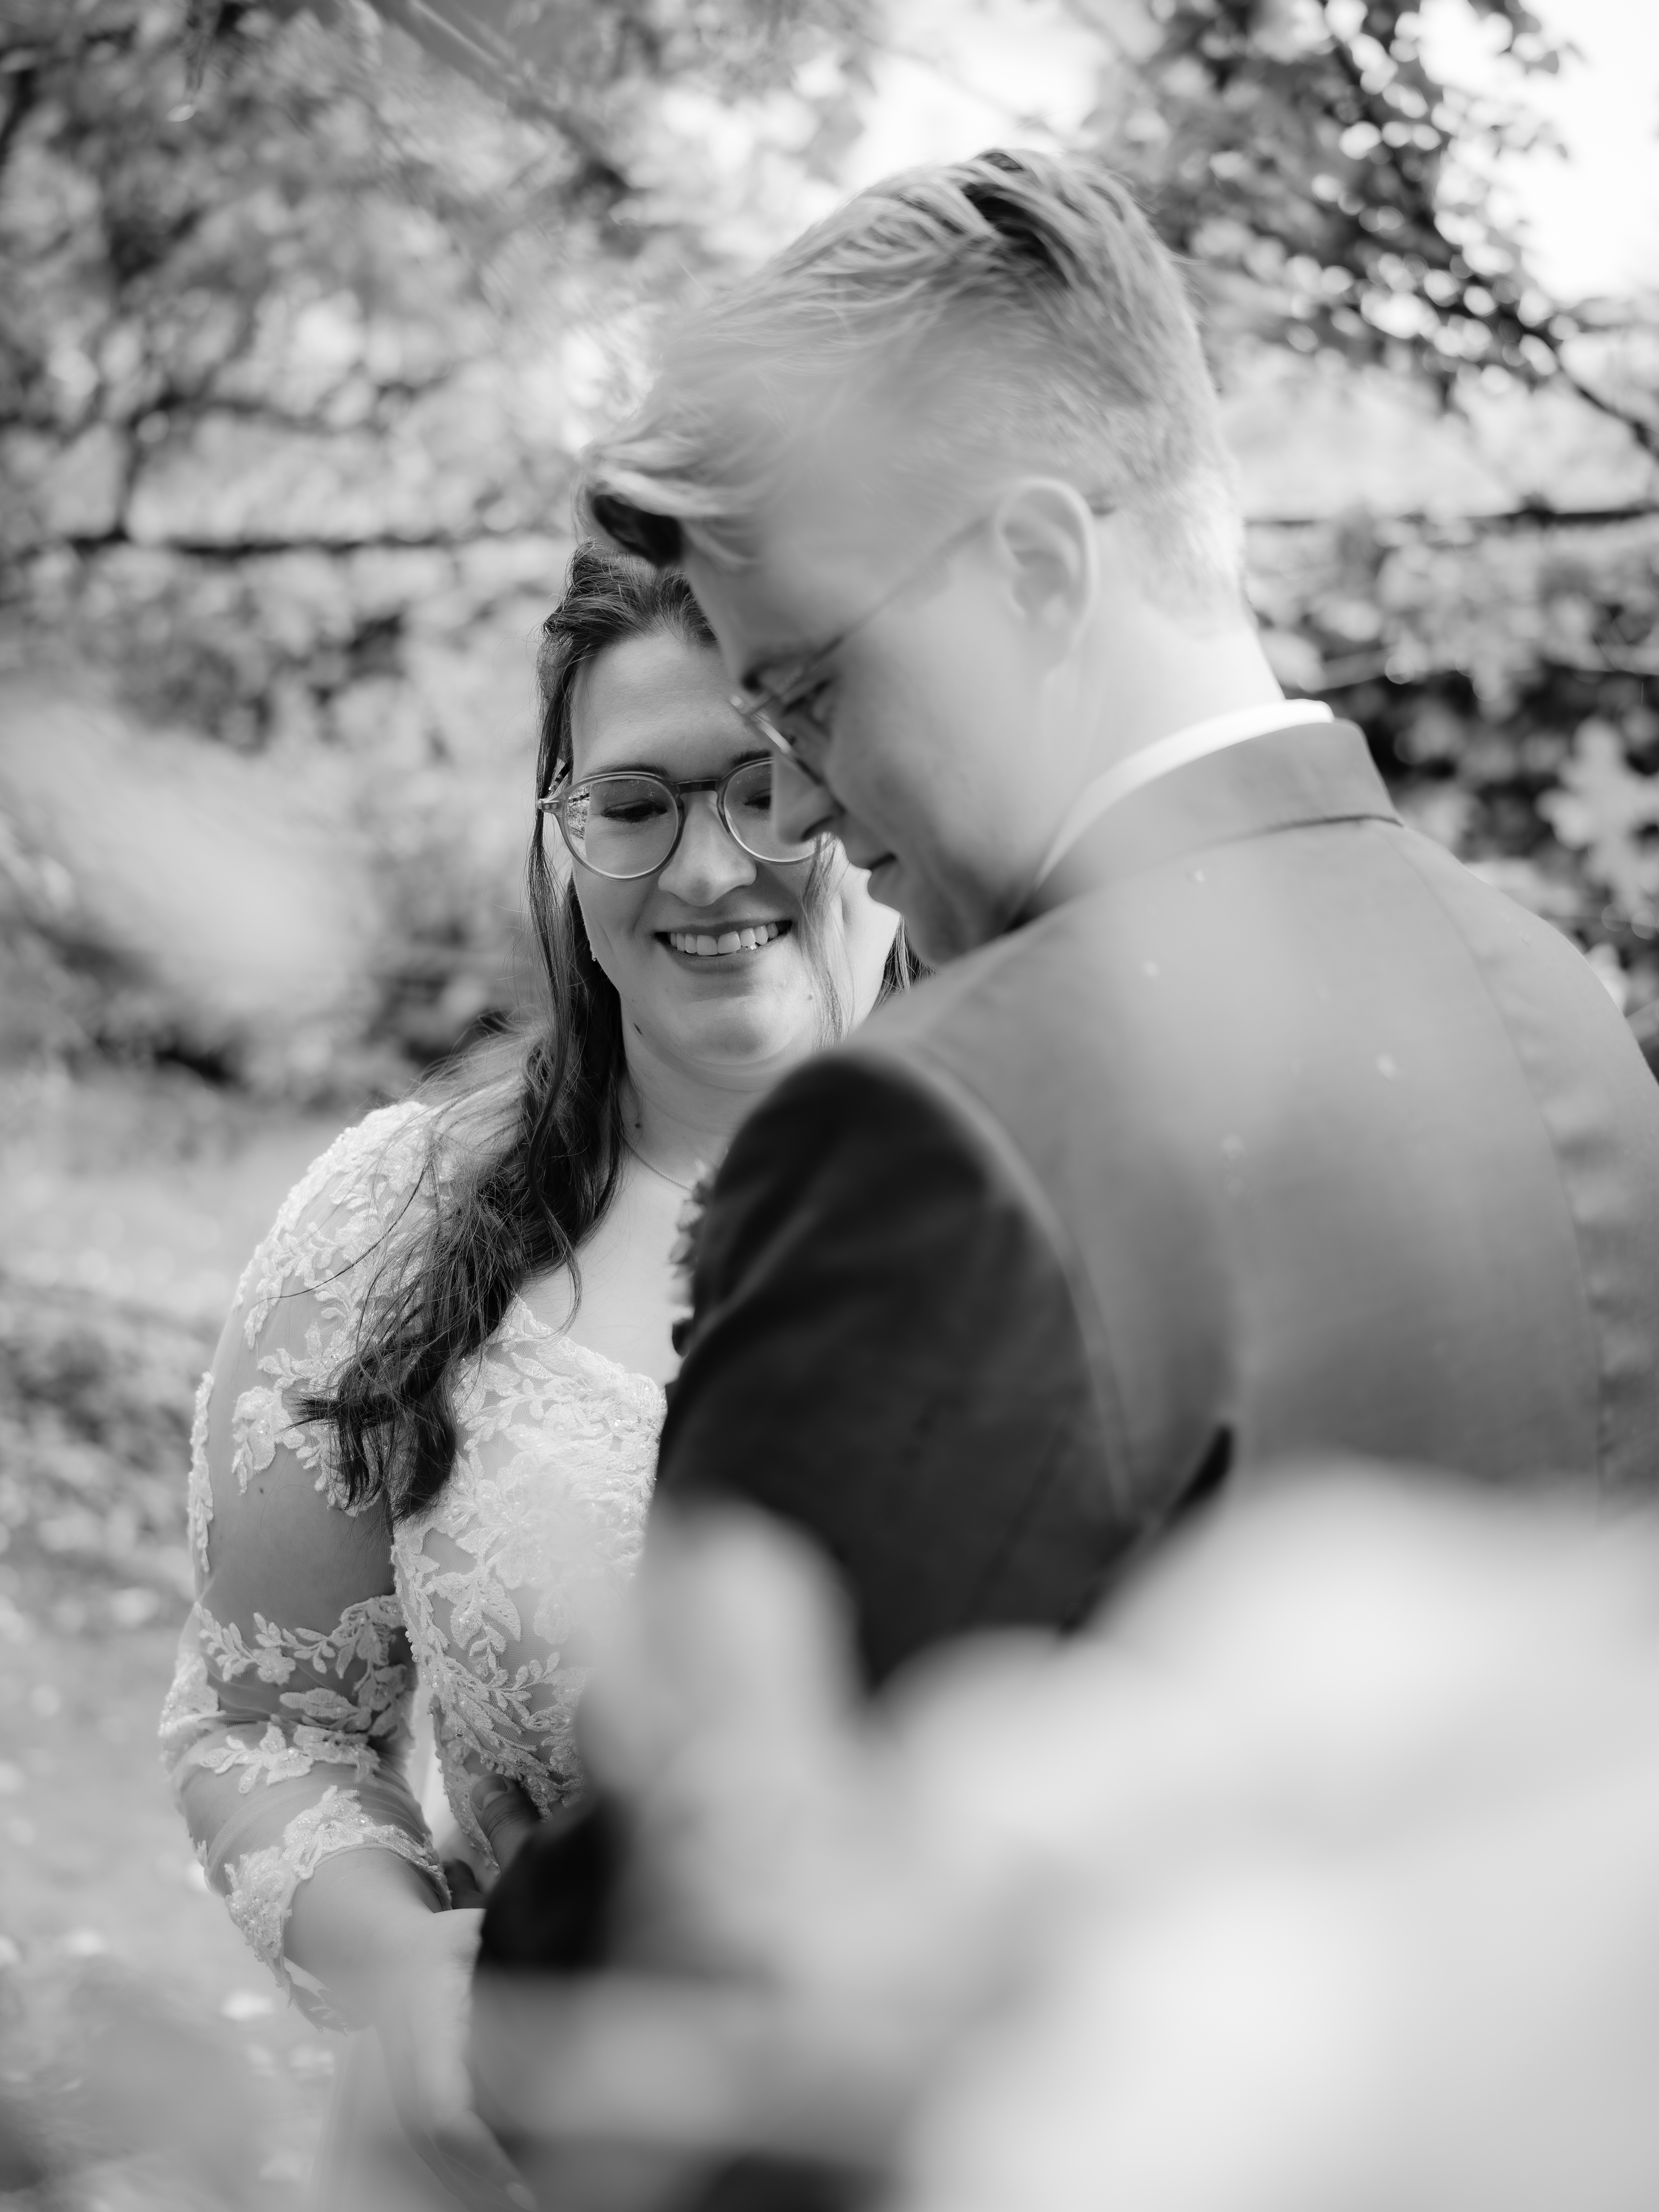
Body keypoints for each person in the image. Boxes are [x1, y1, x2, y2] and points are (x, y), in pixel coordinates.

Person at [505, 146, 1659, 1706]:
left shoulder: (937, 1131)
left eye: (807, 695)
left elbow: (740, 1826)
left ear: (1038, 573)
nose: (797, 803)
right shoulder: (1560, 1010)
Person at [158, 545, 902, 2208]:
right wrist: (403, 1965)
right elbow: (262, 1721)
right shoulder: (393, 1224)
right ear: (564, 840)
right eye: (634, 805)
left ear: (870, 796)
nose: (708, 867)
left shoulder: (1060, 1189)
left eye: (768, 788)